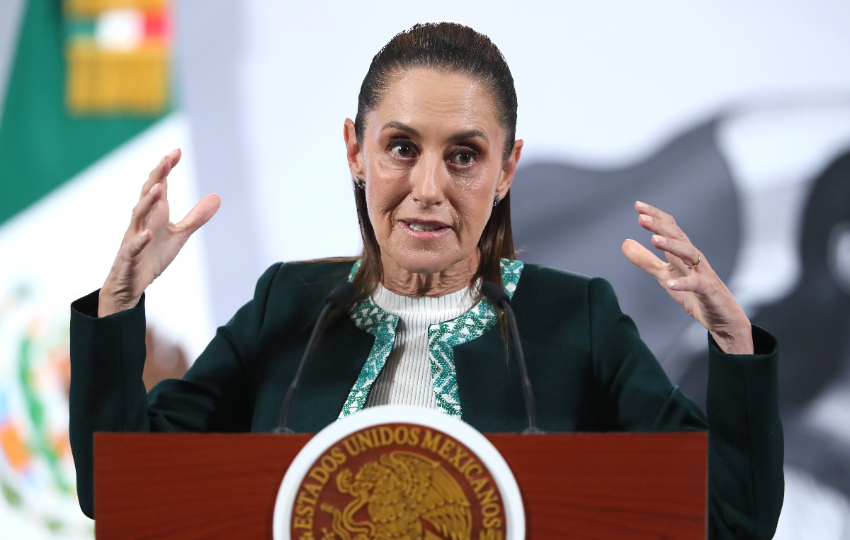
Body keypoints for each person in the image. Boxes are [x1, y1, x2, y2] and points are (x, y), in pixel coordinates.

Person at [69, 23, 783, 538]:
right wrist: (120, 305)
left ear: (507, 169)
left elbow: (731, 519)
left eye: (465, 156)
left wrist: (735, 346)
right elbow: (120, 494)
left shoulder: (578, 317)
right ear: (356, 150)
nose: (429, 188)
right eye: (402, 147)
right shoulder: (283, 305)